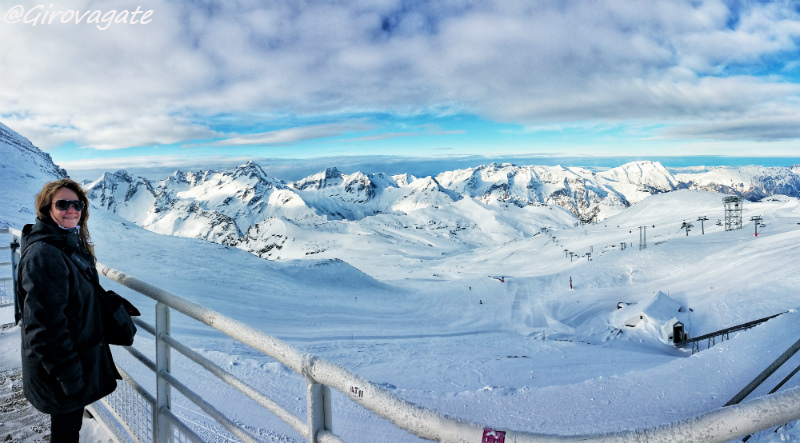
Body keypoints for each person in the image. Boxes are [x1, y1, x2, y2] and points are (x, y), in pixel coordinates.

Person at [16, 178, 119, 443]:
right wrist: (71, 379)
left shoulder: (62, 241)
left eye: (78, 204)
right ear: (47, 209)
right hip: (60, 371)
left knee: (67, 428)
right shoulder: (46, 254)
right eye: (63, 204)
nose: (72, 210)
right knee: (65, 433)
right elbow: (44, 328)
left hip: (64, 363)